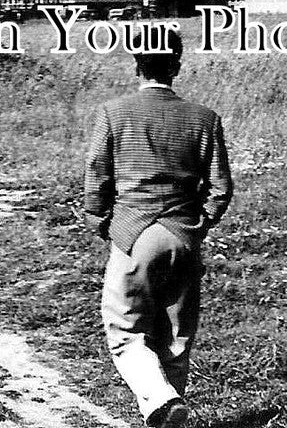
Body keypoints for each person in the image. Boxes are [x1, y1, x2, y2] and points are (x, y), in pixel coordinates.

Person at [83, 28, 232, 428]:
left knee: (125, 331)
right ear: (177, 65)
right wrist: (200, 225)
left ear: (137, 65)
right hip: (183, 234)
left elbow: (98, 176)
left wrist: (100, 222)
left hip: (133, 232)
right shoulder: (205, 118)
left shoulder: (113, 113)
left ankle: (163, 402)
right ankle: (170, 413)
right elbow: (220, 187)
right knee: (176, 338)